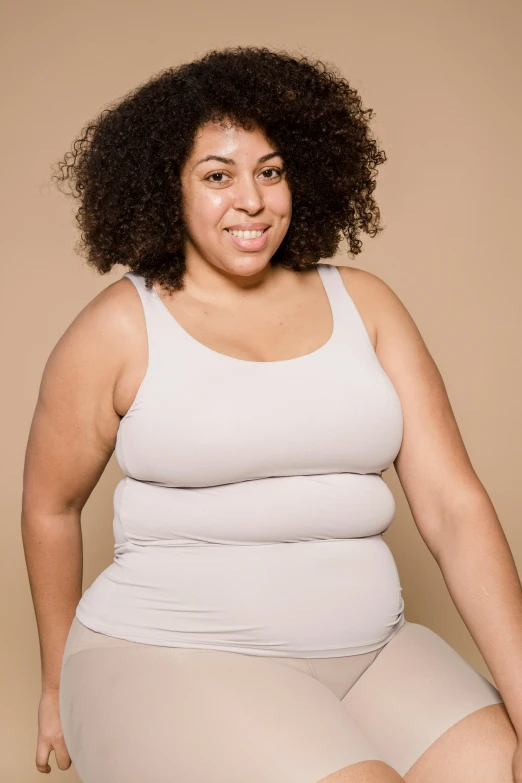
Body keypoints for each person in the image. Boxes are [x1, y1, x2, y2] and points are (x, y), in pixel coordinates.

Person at [22, 46, 520, 783]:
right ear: (169, 188)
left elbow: (452, 506)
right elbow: (51, 506)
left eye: (272, 171)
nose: (252, 200)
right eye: (218, 175)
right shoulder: (120, 327)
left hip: (376, 656)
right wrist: (57, 684)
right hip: (171, 657)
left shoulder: (368, 304)